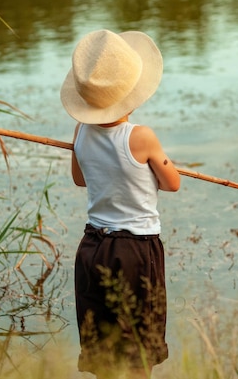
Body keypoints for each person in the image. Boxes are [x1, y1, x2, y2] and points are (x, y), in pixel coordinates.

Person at [60, 29, 180, 379]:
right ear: (133, 94)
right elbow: (172, 184)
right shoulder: (141, 136)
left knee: (105, 355)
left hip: (92, 248)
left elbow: (80, 178)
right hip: (134, 251)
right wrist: (159, 161)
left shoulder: (80, 130)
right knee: (138, 356)